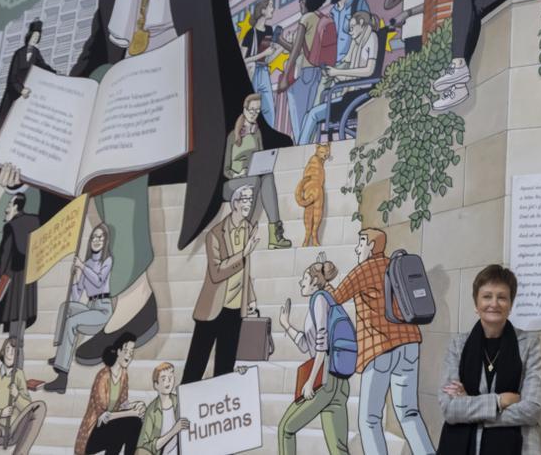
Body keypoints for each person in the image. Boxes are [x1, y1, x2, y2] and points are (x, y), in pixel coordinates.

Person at [0, 0, 292, 365]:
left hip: (189, 95)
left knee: (117, 110)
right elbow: (96, 52)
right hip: (131, 108)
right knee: (100, 93)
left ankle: (131, 298)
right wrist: (39, 98)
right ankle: (133, 295)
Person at [333, 228, 434, 455]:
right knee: (409, 413)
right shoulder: (394, 265)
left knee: (369, 419)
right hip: (409, 344)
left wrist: (324, 282)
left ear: (371, 246)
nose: (357, 248)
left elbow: (335, 298)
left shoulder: (364, 270)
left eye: (361, 242)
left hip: (380, 349)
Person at [437, 265, 541, 455]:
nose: (494, 303)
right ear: (476, 303)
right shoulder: (457, 345)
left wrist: (469, 405)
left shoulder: (529, 345)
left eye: (502, 297)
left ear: (511, 304)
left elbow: (532, 410)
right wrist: (498, 402)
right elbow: (449, 408)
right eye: (487, 296)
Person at [182, 184, 260, 385]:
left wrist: (250, 298)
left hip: (234, 309)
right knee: (195, 366)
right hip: (212, 308)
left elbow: (246, 270)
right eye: (245, 200)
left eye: (251, 200)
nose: (249, 204)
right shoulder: (215, 234)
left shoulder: (249, 230)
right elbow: (216, 273)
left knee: (225, 368)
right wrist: (242, 253)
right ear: (234, 203)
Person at [276, 254, 351, 455]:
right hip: (339, 382)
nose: (301, 282)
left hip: (324, 380)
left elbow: (322, 344)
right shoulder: (327, 301)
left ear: (314, 282)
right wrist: (286, 325)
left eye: (305, 279)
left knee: (285, 429)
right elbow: (305, 344)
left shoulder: (318, 300)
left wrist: (310, 381)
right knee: (338, 448)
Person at [0, 194, 42, 387]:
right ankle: (17, 377)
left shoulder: (10, 227)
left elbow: (3, 259)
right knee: (17, 337)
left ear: (16, 206)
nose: (6, 209)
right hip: (25, 290)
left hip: (6, 287)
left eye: (8, 205)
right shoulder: (34, 222)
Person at [42, 224, 116, 393]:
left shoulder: (107, 260)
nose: (96, 241)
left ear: (105, 241)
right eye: (94, 237)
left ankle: (62, 378)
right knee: (66, 307)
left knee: (73, 322)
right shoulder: (88, 262)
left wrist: (82, 267)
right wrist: (75, 277)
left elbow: (98, 281)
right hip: (90, 306)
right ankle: (60, 350)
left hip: (103, 309)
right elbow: (77, 295)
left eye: (100, 237)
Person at [298, 10, 379, 145]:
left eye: (352, 28)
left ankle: (300, 150)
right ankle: (302, 147)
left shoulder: (372, 37)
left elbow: (369, 71)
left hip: (357, 97)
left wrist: (337, 73)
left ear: (361, 23)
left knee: (312, 114)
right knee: (311, 113)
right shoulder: (357, 42)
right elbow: (349, 70)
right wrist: (334, 73)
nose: (350, 31)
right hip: (351, 94)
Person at [224, 93, 292, 249]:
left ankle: (275, 234)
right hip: (233, 182)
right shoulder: (232, 137)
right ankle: (243, 231)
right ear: (245, 109)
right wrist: (237, 173)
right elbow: (226, 170)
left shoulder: (257, 133)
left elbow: (260, 156)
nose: (255, 114)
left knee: (267, 176)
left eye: (258, 111)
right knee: (255, 180)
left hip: (252, 176)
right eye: (252, 110)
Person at [0, 20, 58, 161]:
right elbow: (11, 77)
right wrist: (21, 90)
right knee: (5, 124)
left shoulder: (36, 53)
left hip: (26, 94)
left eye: (37, 38)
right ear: (28, 36)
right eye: (33, 37)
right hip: (15, 92)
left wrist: (55, 73)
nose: (35, 40)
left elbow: (43, 65)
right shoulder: (18, 53)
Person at [0, 339, 47, 455]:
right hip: (0, 429)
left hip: (17, 426)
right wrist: (1, 413)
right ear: (3, 353)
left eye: (13, 350)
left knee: (40, 406)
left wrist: (17, 397)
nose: (10, 353)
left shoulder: (19, 375)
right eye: (8, 349)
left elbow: (28, 409)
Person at [75, 332, 144, 455]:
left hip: (111, 427)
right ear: (118, 351)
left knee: (131, 424)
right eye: (127, 351)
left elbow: (123, 404)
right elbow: (105, 416)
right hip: (93, 433)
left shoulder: (123, 375)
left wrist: (136, 406)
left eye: (131, 352)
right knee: (133, 422)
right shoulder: (103, 376)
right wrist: (133, 413)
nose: (129, 355)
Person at [277, 0, 331, 139]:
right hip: (317, 73)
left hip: (302, 73)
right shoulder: (322, 18)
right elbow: (303, 48)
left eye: (300, 2)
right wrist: (281, 41)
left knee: (298, 120)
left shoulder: (306, 19)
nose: (300, 6)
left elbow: (296, 50)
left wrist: (286, 76)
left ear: (305, 0)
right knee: (310, 119)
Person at [240, 0, 284, 128]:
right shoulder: (250, 34)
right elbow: (243, 60)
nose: (273, 8)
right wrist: (263, 54)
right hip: (252, 73)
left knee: (269, 110)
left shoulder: (270, 30)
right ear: (263, 10)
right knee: (251, 110)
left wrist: (280, 49)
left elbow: (268, 59)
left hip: (264, 71)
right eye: (270, 5)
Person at [135, 362, 189, 455]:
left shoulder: (179, 401)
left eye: (170, 377)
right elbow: (144, 447)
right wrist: (174, 431)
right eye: (164, 379)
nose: (168, 381)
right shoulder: (152, 410)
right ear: (156, 385)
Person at [325, 0, 371, 64]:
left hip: (353, 59)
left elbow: (367, 29)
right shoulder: (332, 12)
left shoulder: (358, 3)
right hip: (334, 61)